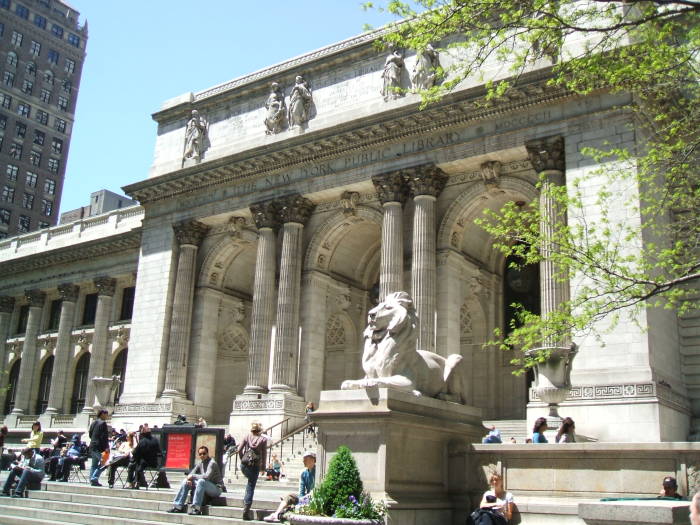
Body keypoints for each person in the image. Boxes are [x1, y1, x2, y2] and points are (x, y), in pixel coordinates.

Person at [167, 445, 225, 515]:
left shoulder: (212, 463)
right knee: (185, 481)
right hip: (206, 485)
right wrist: (189, 479)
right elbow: (191, 474)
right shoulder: (200, 463)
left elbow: (206, 477)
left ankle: (196, 509)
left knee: (201, 481)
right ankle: (177, 506)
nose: (202, 455)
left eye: (204, 453)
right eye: (200, 454)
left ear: (207, 453)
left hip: (216, 489)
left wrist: (192, 476)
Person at [264, 451, 316, 523]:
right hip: (305, 498)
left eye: (305, 459)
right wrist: (301, 500)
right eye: (304, 459)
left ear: (312, 460)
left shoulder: (317, 472)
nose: (303, 461)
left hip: (314, 498)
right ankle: (276, 514)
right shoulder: (303, 473)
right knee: (289, 496)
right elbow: (301, 490)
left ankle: (284, 513)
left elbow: (316, 490)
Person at [239, 421, 269, 520]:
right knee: (251, 486)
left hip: (244, 465)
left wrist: (242, 459)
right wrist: (263, 468)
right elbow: (264, 454)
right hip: (255, 465)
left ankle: (245, 502)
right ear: (260, 431)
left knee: (249, 485)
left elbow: (239, 449)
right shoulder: (263, 439)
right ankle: (246, 510)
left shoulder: (247, 437)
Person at [127, 424, 160, 489]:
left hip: (144, 463)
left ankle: (131, 483)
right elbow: (159, 451)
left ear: (143, 434)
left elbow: (135, 453)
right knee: (137, 464)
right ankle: (135, 482)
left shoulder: (142, 442)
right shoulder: (156, 440)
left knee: (131, 465)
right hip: (154, 462)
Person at [88, 409, 110, 486]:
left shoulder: (94, 422)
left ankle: (91, 479)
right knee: (104, 464)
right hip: (99, 447)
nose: (107, 416)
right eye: (106, 414)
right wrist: (106, 447)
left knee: (94, 464)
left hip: (92, 445)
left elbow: (90, 434)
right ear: (102, 414)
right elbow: (103, 437)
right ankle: (94, 478)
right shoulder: (103, 423)